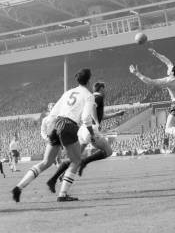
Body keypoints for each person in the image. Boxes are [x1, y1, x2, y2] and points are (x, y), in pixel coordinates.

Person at [11, 68, 98, 203]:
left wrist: (54, 130)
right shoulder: (88, 95)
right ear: (89, 80)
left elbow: (54, 113)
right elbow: (86, 118)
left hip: (57, 124)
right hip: (69, 126)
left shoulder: (68, 92)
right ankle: (62, 194)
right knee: (76, 161)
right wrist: (91, 134)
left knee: (46, 162)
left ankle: (18, 187)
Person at [46, 81, 124, 192]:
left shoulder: (93, 98)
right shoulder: (98, 97)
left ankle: (55, 178)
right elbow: (93, 110)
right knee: (108, 151)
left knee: (74, 158)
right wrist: (96, 123)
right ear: (101, 89)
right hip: (91, 129)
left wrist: (116, 114)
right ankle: (85, 162)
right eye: (104, 89)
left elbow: (99, 115)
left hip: (83, 129)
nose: (105, 91)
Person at [130, 48, 175, 168]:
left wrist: (136, 73)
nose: (168, 68)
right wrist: (156, 54)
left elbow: (150, 81)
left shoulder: (168, 80)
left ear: (171, 72)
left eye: (170, 69)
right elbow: (168, 61)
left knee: (169, 129)